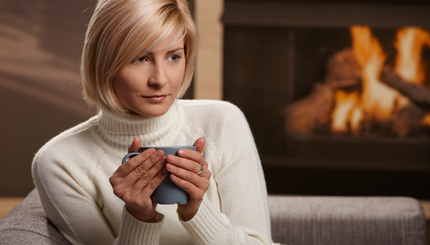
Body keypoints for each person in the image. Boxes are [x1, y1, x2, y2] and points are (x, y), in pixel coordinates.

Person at [31, 0, 273, 244]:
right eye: (140, 58)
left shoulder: (223, 122)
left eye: (173, 56)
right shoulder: (59, 162)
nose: (160, 79)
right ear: (103, 61)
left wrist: (196, 212)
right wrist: (139, 218)